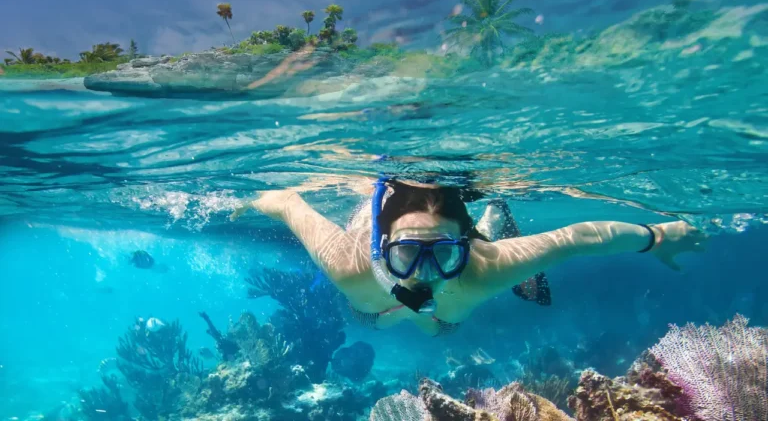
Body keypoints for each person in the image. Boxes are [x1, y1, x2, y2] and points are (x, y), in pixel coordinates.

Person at [231, 178, 706, 337]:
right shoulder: (349, 265)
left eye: (443, 254)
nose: (424, 273)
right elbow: (289, 201)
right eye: (408, 254)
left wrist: (657, 236)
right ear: (382, 249)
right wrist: (250, 201)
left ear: (466, 246)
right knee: (373, 316)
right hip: (373, 306)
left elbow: (577, 237)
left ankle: (492, 220)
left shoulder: (484, 268)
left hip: (452, 289)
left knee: (439, 324)